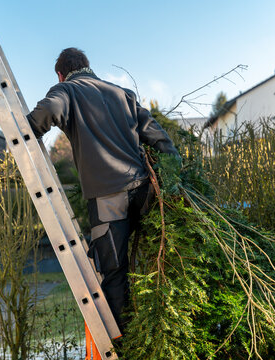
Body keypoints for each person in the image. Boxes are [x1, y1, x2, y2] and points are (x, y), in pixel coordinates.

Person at [27, 47, 179, 333]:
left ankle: (125, 343)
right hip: (144, 189)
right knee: (149, 257)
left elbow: (48, 111)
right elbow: (158, 136)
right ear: (87, 66)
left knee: (113, 272)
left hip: (110, 198)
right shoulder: (122, 93)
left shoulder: (66, 90)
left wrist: (29, 127)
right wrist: (173, 173)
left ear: (61, 73)